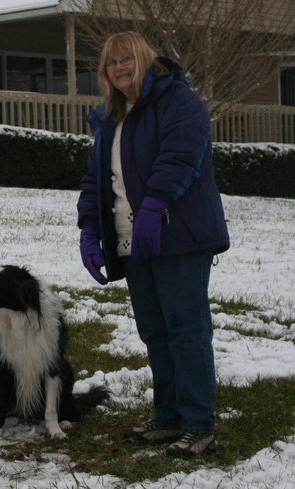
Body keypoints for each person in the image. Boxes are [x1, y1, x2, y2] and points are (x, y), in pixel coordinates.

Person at [76, 32, 230, 456]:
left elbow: (181, 155)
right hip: (133, 238)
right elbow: (97, 180)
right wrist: (90, 228)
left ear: (144, 60)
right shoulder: (110, 118)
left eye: (127, 59)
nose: (119, 68)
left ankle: (199, 424)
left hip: (177, 234)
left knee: (186, 330)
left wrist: (154, 206)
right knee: (155, 331)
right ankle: (168, 417)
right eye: (111, 63)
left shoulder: (178, 101)